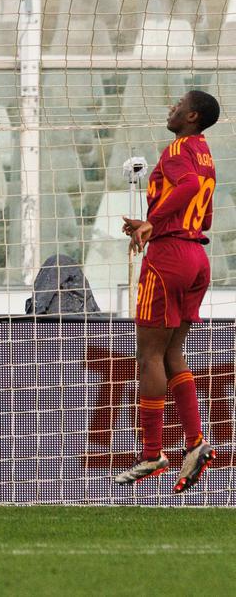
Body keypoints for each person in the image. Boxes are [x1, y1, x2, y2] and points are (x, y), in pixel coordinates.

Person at [115, 90, 220, 493]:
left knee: (150, 355)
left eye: (176, 104)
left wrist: (150, 222)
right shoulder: (205, 152)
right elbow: (205, 210)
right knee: (174, 352)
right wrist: (153, 222)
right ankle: (195, 442)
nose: (170, 108)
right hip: (197, 256)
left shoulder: (178, 148)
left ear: (191, 115)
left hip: (169, 257)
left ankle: (153, 452)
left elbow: (188, 185)